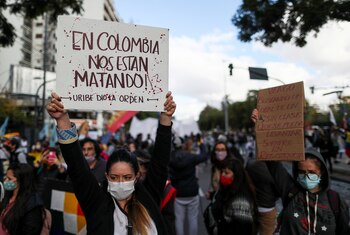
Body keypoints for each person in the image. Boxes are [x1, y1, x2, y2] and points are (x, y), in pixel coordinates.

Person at [46, 91, 176, 235]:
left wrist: (165, 118)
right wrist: (63, 120)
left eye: (127, 177)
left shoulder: (148, 198)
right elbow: (77, 167)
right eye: (114, 177)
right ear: (107, 176)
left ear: (137, 176)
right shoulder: (97, 204)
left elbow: (160, 161)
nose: (120, 182)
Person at [251, 109, 350, 235]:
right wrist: (260, 128)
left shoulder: (335, 200)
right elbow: (271, 161)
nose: (307, 176)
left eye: (312, 172)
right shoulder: (291, 191)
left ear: (321, 172)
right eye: (302, 172)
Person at [168, 135, 207, 235]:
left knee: (178, 219)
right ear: (182, 145)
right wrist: (200, 142)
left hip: (177, 192)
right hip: (192, 191)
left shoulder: (169, 158)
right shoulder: (190, 156)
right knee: (193, 219)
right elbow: (204, 156)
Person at [210, 158, 258, 235]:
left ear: (236, 175)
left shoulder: (240, 202)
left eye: (226, 173)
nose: (222, 175)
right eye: (222, 172)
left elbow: (242, 230)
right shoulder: (227, 190)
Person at [0, 163, 48, 234]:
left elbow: (29, 231)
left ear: (22, 181)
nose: (6, 181)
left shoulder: (32, 205)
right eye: (5, 178)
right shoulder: (9, 195)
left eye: (9, 179)